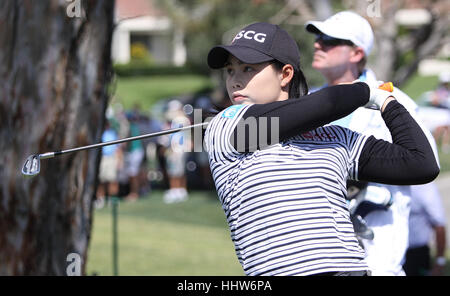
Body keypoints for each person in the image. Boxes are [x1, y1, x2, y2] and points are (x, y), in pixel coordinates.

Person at [204, 22, 439, 276]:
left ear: (285, 74)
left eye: (247, 68)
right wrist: (365, 91)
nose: (235, 82)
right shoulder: (226, 127)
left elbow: (421, 164)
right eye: (230, 70)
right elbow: (325, 103)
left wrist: (388, 102)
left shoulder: (333, 136)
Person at [304, 11, 441, 275]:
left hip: (376, 254)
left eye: (330, 40)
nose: (318, 44)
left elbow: (426, 161)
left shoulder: (394, 100)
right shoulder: (308, 101)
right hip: (320, 252)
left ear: (356, 53)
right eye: (318, 38)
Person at [403, 182, 447, 276]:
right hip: (391, 253)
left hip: (417, 254)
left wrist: (440, 261)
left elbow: (439, 225)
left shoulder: (424, 187)